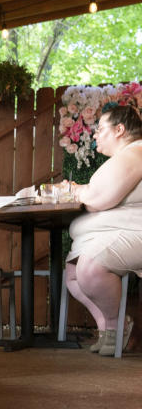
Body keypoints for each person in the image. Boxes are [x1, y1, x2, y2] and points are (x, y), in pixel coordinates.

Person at [62, 104, 142, 356]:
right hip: (125, 232)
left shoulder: (135, 153)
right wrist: (80, 189)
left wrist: (76, 190)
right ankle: (109, 329)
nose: (95, 135)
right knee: (73, 274)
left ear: (119, 130)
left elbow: (98, 199)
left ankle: (117, 327)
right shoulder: (127, 157)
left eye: (101, 129)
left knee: (91, 267)